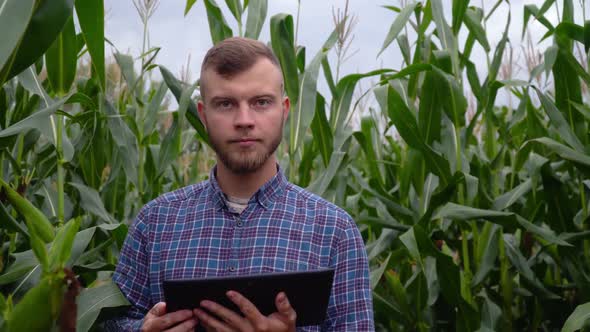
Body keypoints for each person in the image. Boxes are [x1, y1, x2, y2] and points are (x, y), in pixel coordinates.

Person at [105, 37, 374, 332]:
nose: (244, 120)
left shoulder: (334, 233)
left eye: (261, 102)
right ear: (204, 115)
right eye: (225, 104)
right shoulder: (155, 224)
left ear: (284, 112)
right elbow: (111, 321)